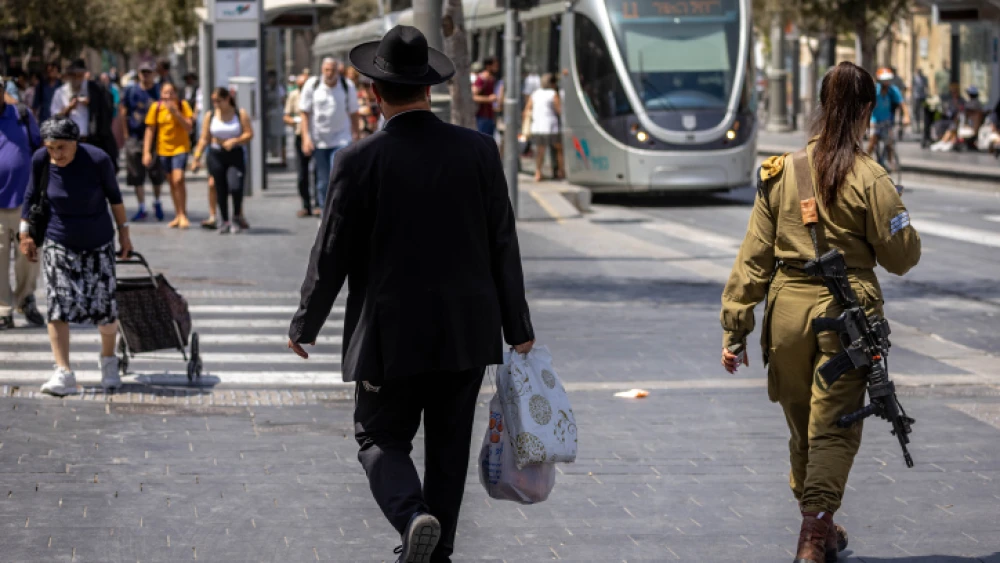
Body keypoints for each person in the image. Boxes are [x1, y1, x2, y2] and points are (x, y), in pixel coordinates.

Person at [287, 26, 534, 563]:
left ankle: (410, 514)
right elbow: (503, 244)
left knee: (378, 438)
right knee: (447, 453)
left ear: (376, 93)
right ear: (430, 88)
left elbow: (331, 251)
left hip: (389, 336)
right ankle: (437, 551)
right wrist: (518, 328)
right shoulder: (479, 151)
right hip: (466, 335)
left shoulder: (357, 161)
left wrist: (306, 323)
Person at [720, 62, 920, 563]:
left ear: (821, 106)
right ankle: (814, 532)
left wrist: (735, 328)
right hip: (847, 313)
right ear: (867, 112)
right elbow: (901, 257)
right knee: (832, 426)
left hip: (787, 312)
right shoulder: (871, 177)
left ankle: (821, 524)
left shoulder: (781, 171)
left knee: (802, 423)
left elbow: (754, 255)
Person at [18, 117, 133, 395]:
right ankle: (64, 372)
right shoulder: (41, 160)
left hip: (98, 240)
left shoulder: (97, 159)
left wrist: (124, 233)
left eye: (61, 147)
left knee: (104, 309)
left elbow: (114, 198)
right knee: (58, 304)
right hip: (58, 240)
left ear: (75, 142)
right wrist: (25, 233)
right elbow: (31, 196)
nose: (56, 154)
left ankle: (108, 362)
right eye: (50, 147)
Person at [0, 91, 44, 330]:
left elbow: (39, 148)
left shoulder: (22, 115)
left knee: (28, 254)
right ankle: (3, 308)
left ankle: (25, 298)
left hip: (24, 200)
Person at [299, 58, 360, 211]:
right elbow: (304, 113)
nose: (329, 73)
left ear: (337, 70)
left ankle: (339, 209)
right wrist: (305, 138)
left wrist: (356, 135)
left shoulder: (347, 86)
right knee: (323, 180)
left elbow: (354, 113)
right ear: (321, 70)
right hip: (319, 140)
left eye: (332, 70)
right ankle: (324, 211)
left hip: (341, 139)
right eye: (326, 70)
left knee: (338, 174)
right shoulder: (312, 86)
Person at [190, 87, 254, 234]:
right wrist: (197, 157)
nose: (215, 104)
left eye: (218, 101)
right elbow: (204, 138)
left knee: (235, 186)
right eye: (213, 101)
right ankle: (224, 220)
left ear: (227, 99)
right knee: (220, 188)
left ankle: (237, 216)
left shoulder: (239, 113)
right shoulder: (210, 115)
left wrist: (235, 140)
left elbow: (249, 134)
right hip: (216, 154)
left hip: (234, 154)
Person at [143, 82, 194, 229]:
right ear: (161, 94)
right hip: (163, 149)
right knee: (172, 182)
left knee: (179, 179)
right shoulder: (156, 108)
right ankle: (177, 214)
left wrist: (176, 113)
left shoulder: (182, 105)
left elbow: (189, 127)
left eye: (171, 93)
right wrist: (146, 152)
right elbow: (150, 130)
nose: (168, 96)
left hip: (180, 148)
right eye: (165, 93)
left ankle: (183, 214)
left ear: (176, 94)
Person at [50, 59, 119, 168]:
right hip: (69, 144)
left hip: (92, 142)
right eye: (73, 75)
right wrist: (68, 108)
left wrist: (92, 104)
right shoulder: (60, 93)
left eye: (79, 75)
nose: (76, 79)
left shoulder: (96, 90)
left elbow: (107, 112)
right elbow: (54, 118)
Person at [122, 62, 166, 222]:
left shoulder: (158, 90)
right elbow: (124, 111)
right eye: (142, 72)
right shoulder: (131, 90)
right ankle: (141, 207)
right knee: (136, 173)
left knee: (156, 172)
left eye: (148, 72)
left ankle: (157, 201)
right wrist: (126, 135)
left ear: (153, 73)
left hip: (155, 137)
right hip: (135, 136)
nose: (145, 75)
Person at [523, 73, 565, 181]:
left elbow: (528, 108)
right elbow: (559, 110)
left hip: (537, 126)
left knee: (540, 150)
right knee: (559, 149)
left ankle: (538, 173)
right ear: (552, 83)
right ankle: (561, 171)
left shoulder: (535, 94)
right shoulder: (553, 94)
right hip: (551, 126)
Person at [864, 68, 909, 162]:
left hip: (886, 120)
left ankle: (890, 162)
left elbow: (902, 103)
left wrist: (906, 116)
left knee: (889, 142)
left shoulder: (893, 90)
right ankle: (865, 160)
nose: (886, 82)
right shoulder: (875, 90)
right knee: (873, 141)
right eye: (884, 80)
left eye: (888, 80)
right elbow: (867, 105)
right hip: (875, 120)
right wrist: (866, 120)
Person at [285, 74, 313, 217]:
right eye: (300, 85)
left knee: (318, 172)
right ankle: (306, 204)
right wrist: (296, 121)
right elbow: (286, 116)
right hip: (300, 136)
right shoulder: (294, 95)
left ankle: (319, 204)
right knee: (302, 174)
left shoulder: (316, 93)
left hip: (316, 137)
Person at [929, 83, 966, 152]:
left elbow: (962, 111)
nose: (953, 93)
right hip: (948, 118)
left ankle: (943, 141)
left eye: (954, 91)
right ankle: (942, 141)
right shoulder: (950, 100)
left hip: (957, 120)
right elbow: (948, 110)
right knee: (938, 123)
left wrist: (957, 105)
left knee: (953, 125)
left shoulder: (961, 100)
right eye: (952, 92)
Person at [472, 57, 499, 136]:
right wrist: (489, 99)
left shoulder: (492, 79)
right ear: (488, 66)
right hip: (481, 117)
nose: (497, 67)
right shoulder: (481, 79)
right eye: (495, 65)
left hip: (490, 117)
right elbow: (474, 97)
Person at [265, 70, 287, 166]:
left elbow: (283, 100)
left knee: (281, 139)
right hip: (268, 118)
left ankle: (283, 159)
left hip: (278, 117)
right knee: (269, 140)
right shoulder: (266, 88)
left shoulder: (279, 88)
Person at [911, 68, 928, 134]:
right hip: (916, 96)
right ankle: (917, 125)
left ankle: (922, 125)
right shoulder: (914, 78)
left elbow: (926, 86)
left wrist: (927, 94)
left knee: (923, 111)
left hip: (922, 96)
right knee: (916, 111)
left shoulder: (924, 78)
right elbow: (912, 87)